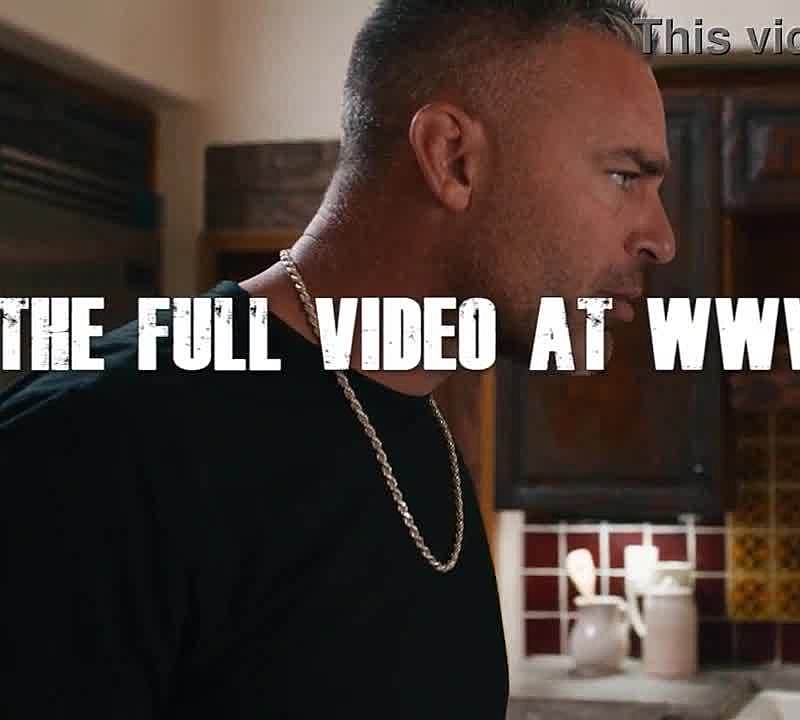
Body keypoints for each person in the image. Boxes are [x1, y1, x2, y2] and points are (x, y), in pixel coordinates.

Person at [1, 0, 675, 717]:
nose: (661, 239)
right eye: (623, 177)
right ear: (452, 158)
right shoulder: (92, 454)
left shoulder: (421, 443)